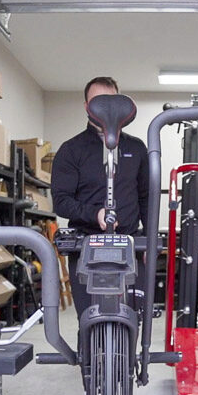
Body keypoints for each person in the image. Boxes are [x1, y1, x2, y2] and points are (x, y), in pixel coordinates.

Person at [51, 76, 149, 318]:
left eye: (111, 101)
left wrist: (149, 240)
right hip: (86, 247)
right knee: (90, 319)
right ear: (87, 106)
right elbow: (61, 201)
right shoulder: (71, 150)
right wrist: (95, 214)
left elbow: (146, 197)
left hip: (130, 246)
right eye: (98, 102)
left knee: (131, 318)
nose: (106, 109)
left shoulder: (136, 148)